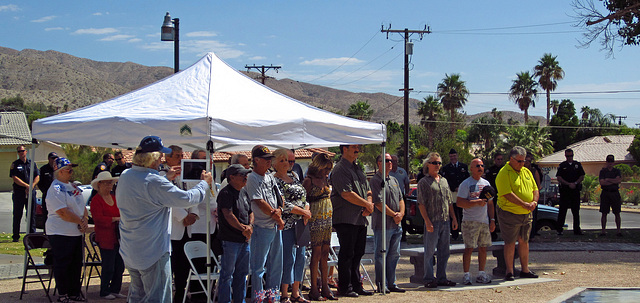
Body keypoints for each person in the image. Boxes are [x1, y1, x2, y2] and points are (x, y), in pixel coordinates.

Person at [116, 136, 213, 303]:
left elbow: (147, 193)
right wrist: (204, 184)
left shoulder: (126, 175)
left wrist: (166, 178)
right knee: (158, 298)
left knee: (137, 297)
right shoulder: (154, 181)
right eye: (160, 156)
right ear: (153, 159)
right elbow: (187, 199)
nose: (162, 159)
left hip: (130, 249)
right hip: (152, 251)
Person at [330, 144, 374, 297]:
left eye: (358, 146)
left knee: (358, 253)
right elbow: (346, 193)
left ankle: (357, 285)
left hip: (360, 218)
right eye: (354, 147)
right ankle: (345, 287)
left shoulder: (357, 168)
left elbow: (368, 190)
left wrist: (369, 203)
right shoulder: (340, 169)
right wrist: (366, 204)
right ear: (345, 149)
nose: (357, 149)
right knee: (347, 254)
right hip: (346, 218)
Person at [45, 157, 87, 302]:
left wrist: (85, 220)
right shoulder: (55, 189)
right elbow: (62, 212)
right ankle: (63, 294)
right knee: (63, 263)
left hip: (75, 232)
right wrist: (80, 221)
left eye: (71, 169)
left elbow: (82, 206)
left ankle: (74, 292)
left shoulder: (74, 187)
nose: (71, 172)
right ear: (60, 171)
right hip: (60, 232)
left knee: (76, 263)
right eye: (68, 169)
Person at [272, 149, 311, 303]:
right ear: (274, 163)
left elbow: (303, 197)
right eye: (282, 161)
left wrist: (306, 211)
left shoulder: (294, 176)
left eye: (287, 161)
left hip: (301, 224)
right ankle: (284, 294)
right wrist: (302, 211)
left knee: (300, 257)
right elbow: (282, 203)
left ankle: (296, 293)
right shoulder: (274, 180)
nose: (286, 164)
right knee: (288, 258)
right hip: (287, 225)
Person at [247, 145, 285, 301]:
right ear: (256, 160)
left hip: (275, 226)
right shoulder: (251, 177)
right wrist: (276, 216)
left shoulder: (270, 176)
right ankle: (259, 298)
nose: (269, 162)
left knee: (276, 265)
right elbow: (258, 201)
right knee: (258, 267)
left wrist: (280, 210)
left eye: (270, 159)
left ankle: (273, 297)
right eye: (266, 159)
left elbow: (279, 196)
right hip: (261, 227)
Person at [495, 146, 539, 281]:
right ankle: (509, 271)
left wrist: (534, 202)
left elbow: (535, 189)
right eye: (519, 161)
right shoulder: (504, 173)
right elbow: (507, 194)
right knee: (510, 242)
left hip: (526, 213)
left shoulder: (526, 172)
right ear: (511, 159)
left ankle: (525, 269)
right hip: (509, 213)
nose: (522, 164)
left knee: (524, 241)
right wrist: (524, 204)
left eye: (524, 161)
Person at [417, 152, 458, 288]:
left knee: (444, 251)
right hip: (432, 221)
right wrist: (427, 221)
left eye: (439, 163)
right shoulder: (423, 182)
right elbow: (421, 203)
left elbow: (449, 201)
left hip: (445, 220)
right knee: (429, 251)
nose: (437, 165)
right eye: (434, 163)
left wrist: (454, 218)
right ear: (427, 164)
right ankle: (429, 278)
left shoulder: (444, 181)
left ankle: (442, 277)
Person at [370, 153, 406, 293]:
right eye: (386, 160)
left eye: (391, 160)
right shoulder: (375, 180)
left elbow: (401, 199)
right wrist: (393, 214)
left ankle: (392, 282)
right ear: (379, 163)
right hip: (383, 225)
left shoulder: (394, 180)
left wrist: (401, 214)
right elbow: (378, 203)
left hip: (396, 224)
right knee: (381, 255)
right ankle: (381, 284)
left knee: (394, 254)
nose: (390, 162)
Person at [217, 164, 253, 303]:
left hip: (244, 240)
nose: (245, 178)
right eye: (242, 175)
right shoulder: (225, 193)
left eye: (246, 175)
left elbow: (251, 211)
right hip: (230, 240)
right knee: (227, 275)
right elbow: (228, 214)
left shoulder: (243, 191)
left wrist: (249, 226)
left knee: (242, 274)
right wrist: (243, 229)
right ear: (231, 177)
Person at [302, 153, 335, 301]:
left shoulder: (326, 180)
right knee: (316, 253)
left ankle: (325, 287)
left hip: (327, 218)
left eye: (329, 168)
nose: (327, 171)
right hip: (315, 219)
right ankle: (314, 289)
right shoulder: (309, 181)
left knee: (325, 252)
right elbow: (304, 200)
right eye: (325, 168)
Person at [456, 158, 495, 285]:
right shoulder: (466, 184)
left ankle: (481, 273)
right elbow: (460, 202)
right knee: (469, 248)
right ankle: (466, 275)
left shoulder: (486, 183)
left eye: (482, 165)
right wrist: (476, 202)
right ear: (471, 169)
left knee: (483, 248)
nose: (480, 167)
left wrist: (492, 220)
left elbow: (490, 204)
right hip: (470, 221)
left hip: (483, 221)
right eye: (477, 165)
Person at [90, 171, 126, 300]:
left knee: (119, 265)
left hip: (118, 236)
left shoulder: (114, 198)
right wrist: (114, 219)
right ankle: (104, 290)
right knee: (108, 265)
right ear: (99, 184)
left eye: (110, 183)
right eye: (106, 183)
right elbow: (98, 219)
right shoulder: (96, 200)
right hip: (105, 237)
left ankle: (116, 289)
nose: (109, 186)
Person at [10, 145, 39, 242]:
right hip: (19, 193)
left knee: (31, 214)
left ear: (26, 152)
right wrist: (26, 186)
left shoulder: (32, 164)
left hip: (31, 192)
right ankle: (15, 236)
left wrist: (31, 186)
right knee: (17, 214)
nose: (21, 153)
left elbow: (37, 176)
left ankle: (31, 235)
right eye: (19, 152)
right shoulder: (15, 164)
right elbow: (15, 178)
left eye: (22, 151)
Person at [439, 148, 469, 240]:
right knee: (453, 214)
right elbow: (445, 180)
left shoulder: (463, 166)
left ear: (457, 156)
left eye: (454, 156)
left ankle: (464, 233)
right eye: (451, 156)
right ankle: (455, 234)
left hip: (462, 193)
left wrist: (461, 187)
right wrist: (454, 187)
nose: (453, 158)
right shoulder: (446, 168)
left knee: (463, 214)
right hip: (452, 193)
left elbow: (466, 178)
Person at [555, 148, 585, 235]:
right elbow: (559, 177)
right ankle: (559, 229)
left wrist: (575, 183)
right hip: (565, 191)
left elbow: (582, 176)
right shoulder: (562, 165)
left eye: (571, 156)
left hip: (575, 191)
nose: (569, 157)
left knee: (576, 211)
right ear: (565, 156)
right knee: (562, 211)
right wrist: (568, 184)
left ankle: (577, 229)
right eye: (568, 156)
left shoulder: (577, 165)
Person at [599, 154, 623, 237]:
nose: (610, 163)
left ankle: (618, 231)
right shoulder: (603, 171)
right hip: (605, 192)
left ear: (613, 162)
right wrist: (613, 181)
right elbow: (602, 182)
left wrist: (608, 180)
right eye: (609, 161)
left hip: (614, 192)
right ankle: (603, 231)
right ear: (606, 162)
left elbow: (618, 180)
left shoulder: (617, 171)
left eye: (611, 161)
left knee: (617, 212)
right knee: (604, 212)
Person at [39, 152, 58, 220]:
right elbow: (40, 182)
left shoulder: (58, 169)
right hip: (47, 195)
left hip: (57, 196)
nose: (54, 160)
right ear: (49, 159)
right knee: (46, 215)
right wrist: (45, 191)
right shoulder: (43, 169)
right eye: (53, 158)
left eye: (56, 158)